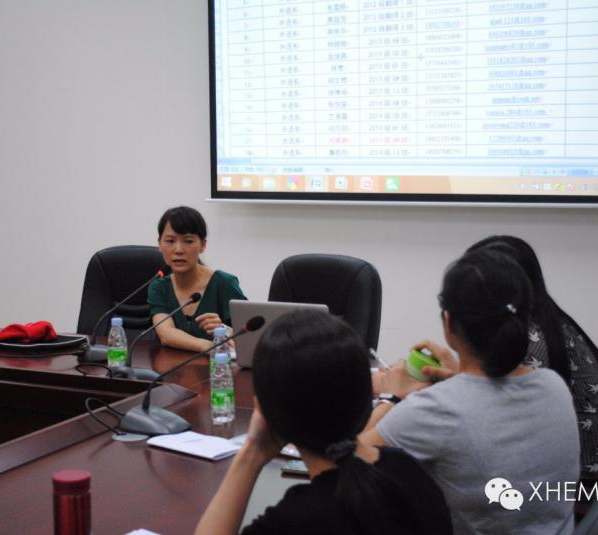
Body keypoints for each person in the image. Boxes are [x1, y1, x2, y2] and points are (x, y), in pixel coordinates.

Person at [362, 249, 580, 535]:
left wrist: (391, 397)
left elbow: (339, 468)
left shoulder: (438, 409)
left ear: (448, 322)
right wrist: (459, 381)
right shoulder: (554, 386)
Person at [195, 310, 453, 535]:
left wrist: (251, 454)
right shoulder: (410, 471)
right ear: (366, 395)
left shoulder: (296, 520)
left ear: (265, 410)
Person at [463, 235, 598, 478]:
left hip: (582, 489)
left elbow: (490, 421)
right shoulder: (552, 324)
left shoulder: (528, 339)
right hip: (596, 486)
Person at [148, 206, 247, 352]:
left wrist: (223, 329)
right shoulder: (159, 286)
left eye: (188, 241)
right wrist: (208, 346)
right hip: (170, 365)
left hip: (218, 365)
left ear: (203, 245)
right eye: (170, 241)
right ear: (159, 245)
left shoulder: (224, 283)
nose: (178, 250)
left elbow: (250, 335)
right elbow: (166, 334)